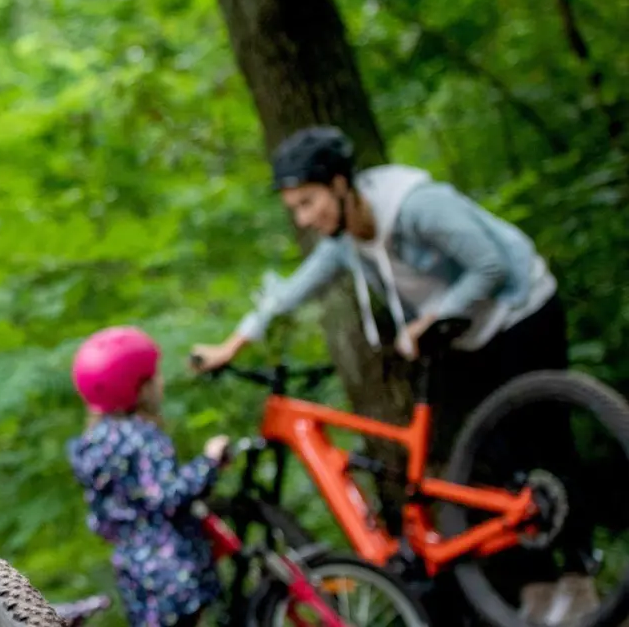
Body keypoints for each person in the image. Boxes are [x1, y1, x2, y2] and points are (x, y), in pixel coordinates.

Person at [189, 125, 593, 623]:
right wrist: (235, 341)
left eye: (308, 202)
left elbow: (490, 265)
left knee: (542, 445)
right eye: (295, 208)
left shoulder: (417, 206)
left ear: (340, 184)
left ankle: (579, 577)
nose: (305, 218)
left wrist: (432, 316)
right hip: (465, 336)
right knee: (482, 467)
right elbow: (297, 288)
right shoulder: (346, 240)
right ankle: (535, 588)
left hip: (520, 312)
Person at [68, 326, 231, 627]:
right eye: (154, 376)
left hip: (133, 569)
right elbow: (167, 496)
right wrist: (209, 461)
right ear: (139, 388)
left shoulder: (92, 444)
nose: (161, 380)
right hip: (170, 566)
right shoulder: (142, 438)